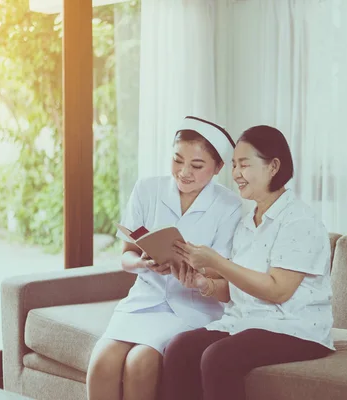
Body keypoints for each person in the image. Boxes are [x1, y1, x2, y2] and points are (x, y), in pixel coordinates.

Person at [160, 125, 334, 400]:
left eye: (244, 165)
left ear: (273, 166)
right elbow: (236, 290)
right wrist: (203, 283)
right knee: (180, 348)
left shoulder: (300, 221)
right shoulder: (246, 222)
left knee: (219, 357)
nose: (236, 174)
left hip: (295, 329)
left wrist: (217, 261)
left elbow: (278, 290)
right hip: (248, 322)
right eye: (234, 165)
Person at [86, 116, 242, 400]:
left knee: (140, 361)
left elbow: (222, 277)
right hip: (143, 300)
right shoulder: (147, 189)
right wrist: (144, 263)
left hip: (192, 308)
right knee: (101, 362)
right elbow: (126, 257)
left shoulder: (230, 207)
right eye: (177, 160)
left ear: (218, 167)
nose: (184, 172)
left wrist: (197, 277)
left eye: (197, 166)